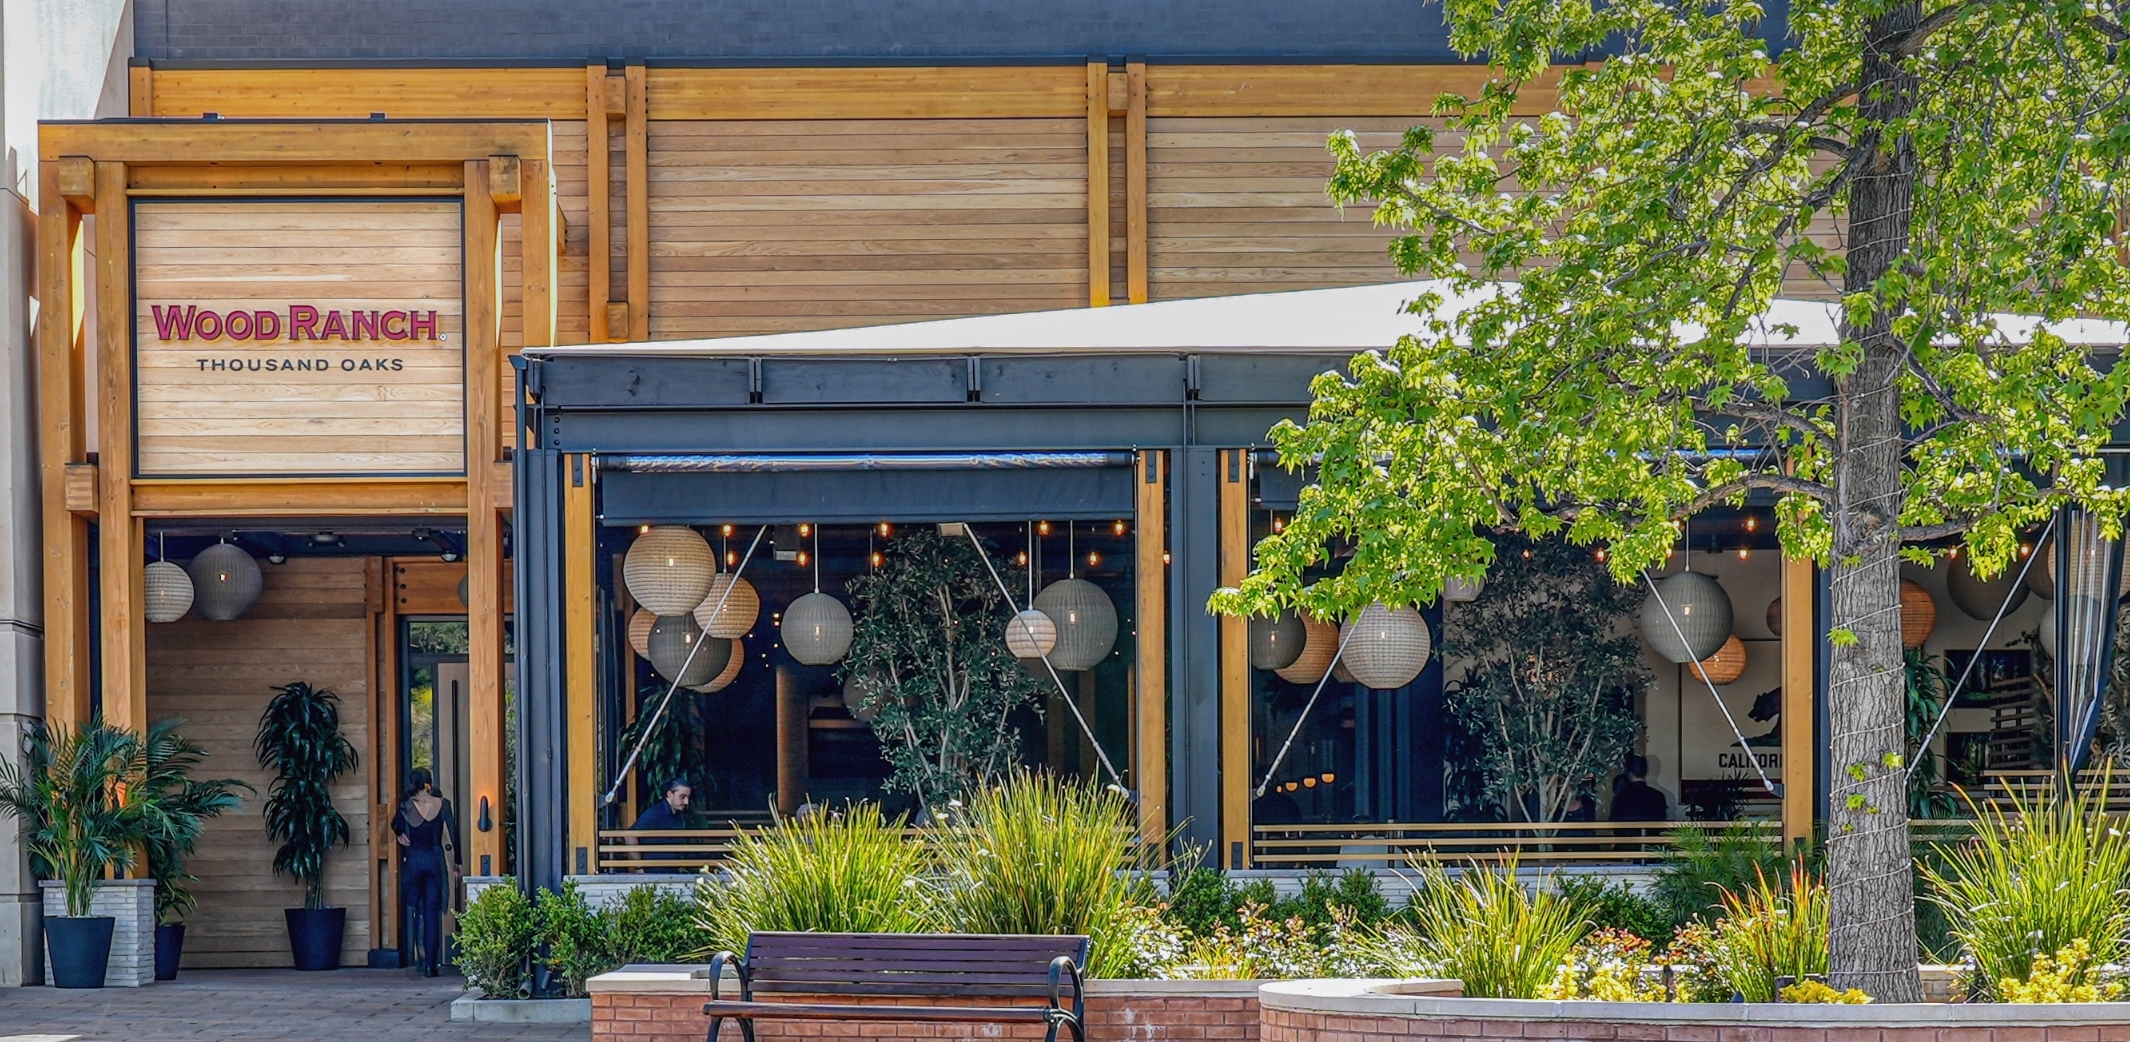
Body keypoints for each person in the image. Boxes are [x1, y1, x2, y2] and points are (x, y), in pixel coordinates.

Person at [392, 767, 460, 977]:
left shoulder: (406, 805)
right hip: (434, 858)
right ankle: (432, 964)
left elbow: (395, 824)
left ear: (413, 784)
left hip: (414, 858)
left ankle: (421, 958)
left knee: (417, 909)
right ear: (429, 782)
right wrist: (458, 863)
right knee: (432, 912)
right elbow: (454, 832)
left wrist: (399, 835)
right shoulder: (443, 804)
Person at [630, 778, 694, 867]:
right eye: (682, 797)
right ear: (669, 794)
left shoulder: (678, 814)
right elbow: (630, 835)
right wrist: (639, 866)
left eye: (687, 797)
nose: (686, 802)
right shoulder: (654, 813)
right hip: (655, 869)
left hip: (671, 868)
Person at [1609, 755, 1670, 822]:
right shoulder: (1658, 796)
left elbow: (1614, 821)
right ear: (1646, 771)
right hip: (1652, 833)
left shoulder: (1621, 797)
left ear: (1630, 773)